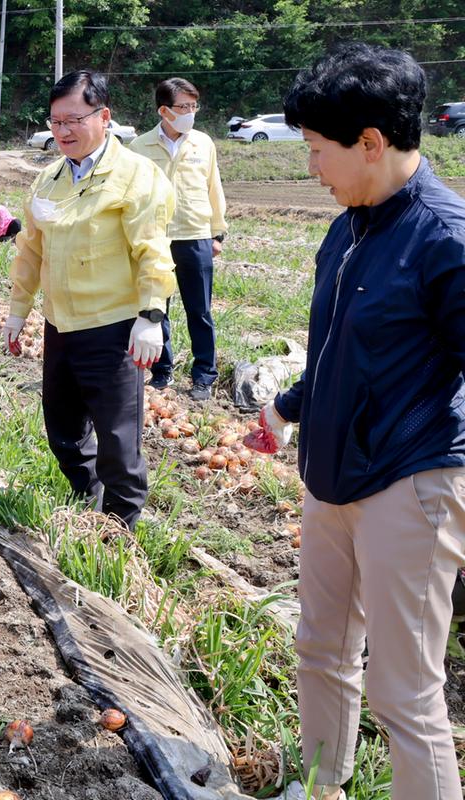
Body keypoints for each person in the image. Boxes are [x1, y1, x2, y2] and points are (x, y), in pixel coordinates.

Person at [254, 44, 465, 800]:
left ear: (371, 143)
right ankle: (322, 789)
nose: (313, 168)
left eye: (318, 151)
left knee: (404, 693)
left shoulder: (446, 239)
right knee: (321, 650)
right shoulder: (350, 224)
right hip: (332, 473)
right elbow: (344, 343)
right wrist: (290, 406)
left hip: (410, 481)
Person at [5, 70, 175, 530]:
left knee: (119, 439)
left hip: (115, 326)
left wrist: (151, 315)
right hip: (60, 325)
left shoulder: (136, 175)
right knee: (63, 431)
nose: (62, 131)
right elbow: (30, 252)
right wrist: (19, 311)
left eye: (73, 120)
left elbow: (153, 251)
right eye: (55, 122)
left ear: (104, 117)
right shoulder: (48, 179)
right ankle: (89, 501)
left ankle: (121, 531)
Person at [129, 78, 227, 401]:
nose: (190, 113)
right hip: (156, 239)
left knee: (199, 310)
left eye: (193, 106)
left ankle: (204, 375)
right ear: (164, 111)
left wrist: (218, 233)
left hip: (196, 236)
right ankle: (161, 370)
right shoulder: (140, 148)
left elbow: (215, 189)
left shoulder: (204, 144)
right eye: (183, 107)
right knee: (158, 307)